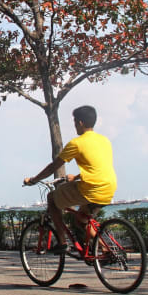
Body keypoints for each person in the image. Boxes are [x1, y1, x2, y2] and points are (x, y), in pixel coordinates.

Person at [23, 105, 117, 254]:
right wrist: (76, 177)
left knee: (52, 198)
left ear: (80, 123)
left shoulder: (77, 143)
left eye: (74, 121)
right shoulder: (104, 141)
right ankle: (107, 250)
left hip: (91, 189)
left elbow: (54, 166)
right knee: (81, 220)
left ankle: (62, 242)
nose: (74, 125)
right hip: (108, 187)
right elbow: (96, 167)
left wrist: (34, 179)